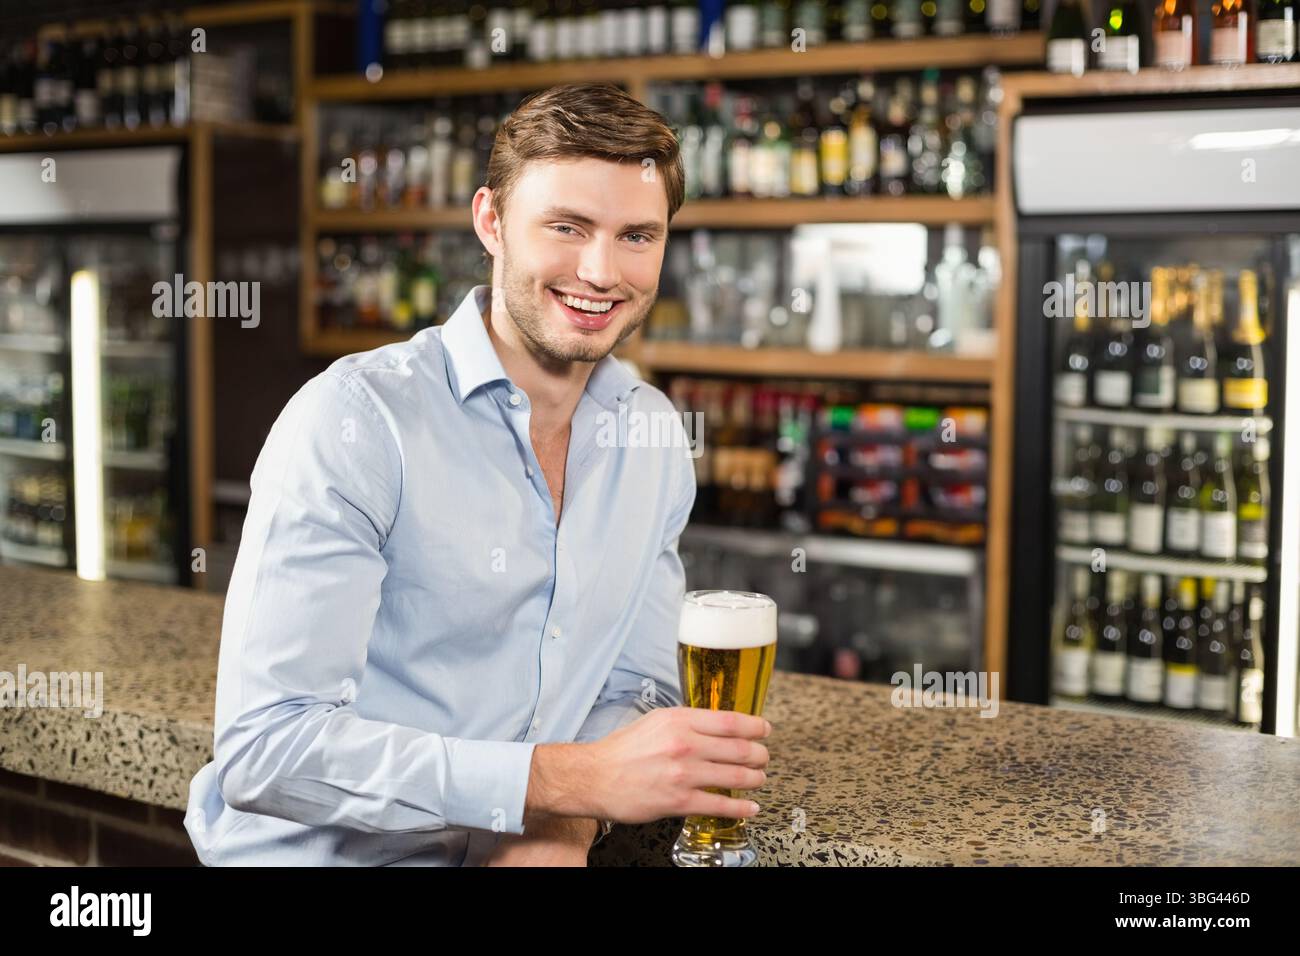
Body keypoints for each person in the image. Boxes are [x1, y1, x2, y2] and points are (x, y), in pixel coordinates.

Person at [184, 83, 771, 866]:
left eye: (637, 235)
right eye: (567, 227)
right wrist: (560, 785)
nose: (601, 272)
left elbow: (636, 688)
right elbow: (268, 746)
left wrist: (564, 817)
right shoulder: (357, 420)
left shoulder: (653, 437)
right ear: (491, 222)